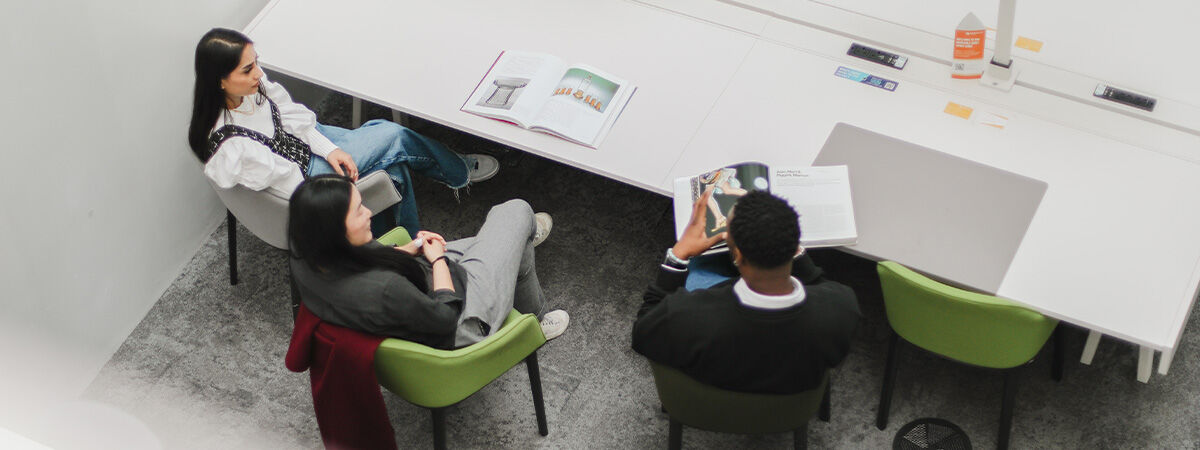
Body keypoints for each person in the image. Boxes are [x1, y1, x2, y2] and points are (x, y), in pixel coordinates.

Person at [188, 28, 500, 236]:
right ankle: (455, 170)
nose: (258, 72)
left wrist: (332, 150)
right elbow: (292, 189)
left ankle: (399, 241)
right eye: (247, 69)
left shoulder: (254, 86)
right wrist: (343, 187)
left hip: (310, 142)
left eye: (256, 62)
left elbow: (297, 121)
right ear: (220, 80)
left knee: (391, 163)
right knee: (393, 137)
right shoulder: (232, 145)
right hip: (307, 179)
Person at [287, 175, 569, 349]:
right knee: (516, 211)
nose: (369, 213)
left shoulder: (307, 254)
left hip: (416, 292)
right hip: (461, 323)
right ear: (334, 231)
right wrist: (438, 263)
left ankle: (524, 246)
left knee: (514, 242)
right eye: (358, 211)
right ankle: (534, 327)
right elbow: (446, 317)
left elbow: (364, 263)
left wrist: (413, 248)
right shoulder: (385, 290)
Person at [632, 189, 860, 394]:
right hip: (792, 401)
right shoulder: (843, 306)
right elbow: (820, 286)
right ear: (795, 246)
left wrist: (678, 255)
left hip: (710, 399)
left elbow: (643, 331)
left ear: (738, 255)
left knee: (701, 265)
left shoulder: (685, 316)